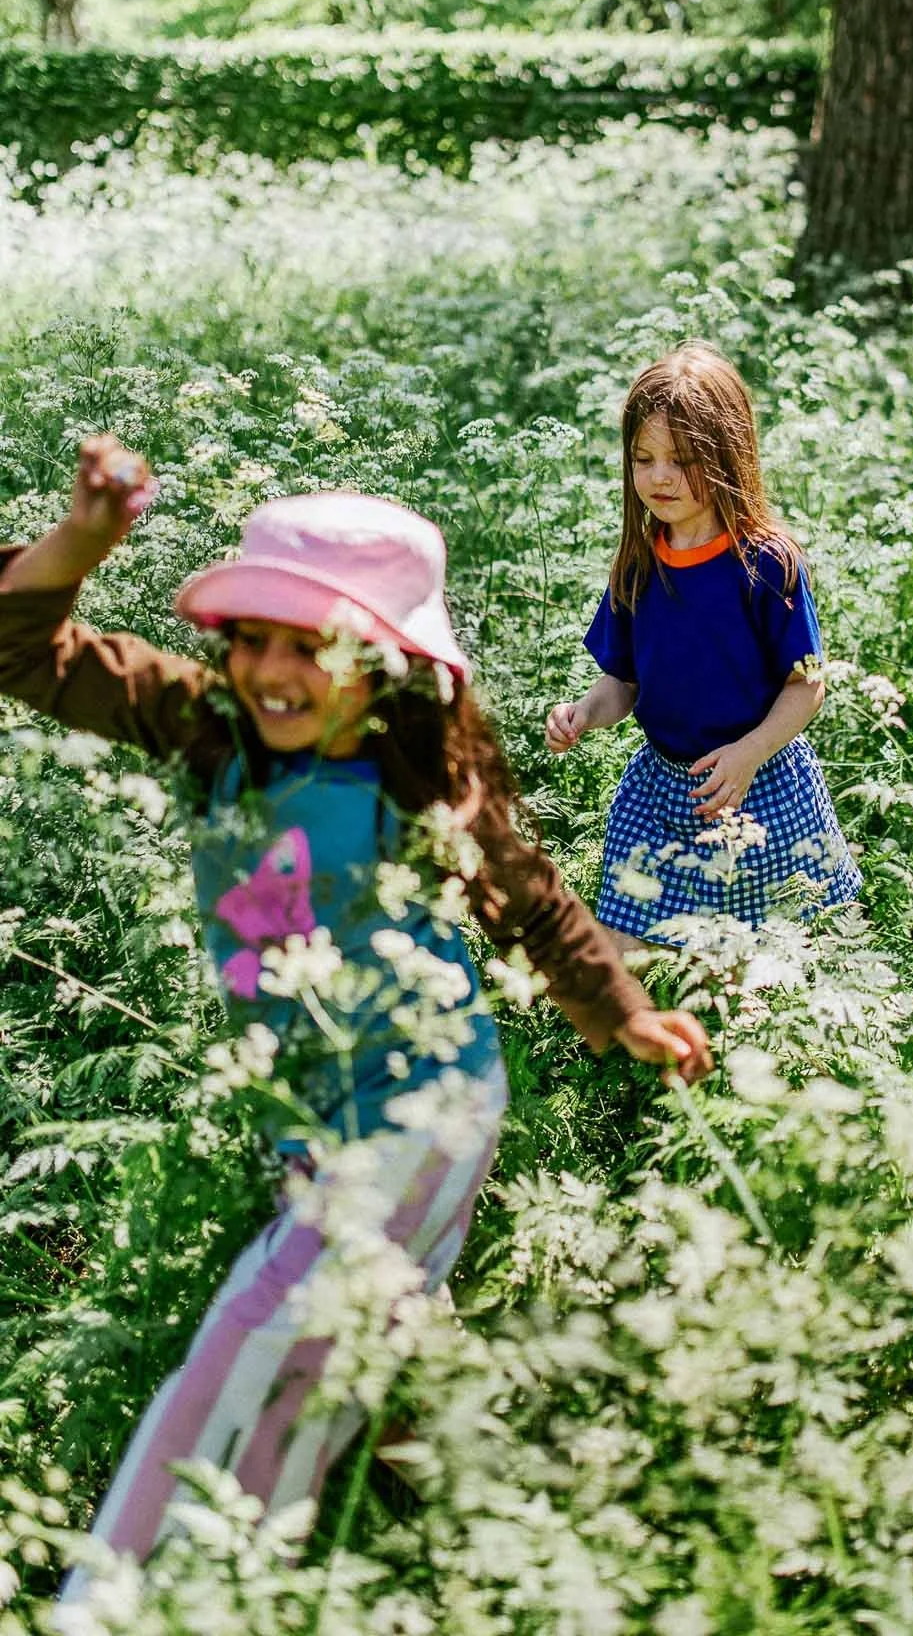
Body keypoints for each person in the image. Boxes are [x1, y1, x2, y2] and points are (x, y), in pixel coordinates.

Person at [0, 435, 711, 1601]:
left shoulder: (411, 780)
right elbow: (21, 649)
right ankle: (536, 1527)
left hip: (420, 1119)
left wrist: (620, 1013)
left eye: (313, 645)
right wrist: (86, 536)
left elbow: (532, 899)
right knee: (385, 1353)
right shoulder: (204, 725)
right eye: (255, 638)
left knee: (253, 1346)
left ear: (380, 666)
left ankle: (129, 1600)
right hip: (312, 1121)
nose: (275, 670)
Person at [544, 341, 860, 942]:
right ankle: (623, 1027)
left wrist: (751, 751)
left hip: (760, 781)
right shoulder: (638, 565)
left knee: (760, 954)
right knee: (621, 942)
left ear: (727, 458)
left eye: (681, 460)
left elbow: (807, 686)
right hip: (662, 786)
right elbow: (623, 682)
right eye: (644, 457)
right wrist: (584, 713)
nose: (659, 476)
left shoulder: (767, 565)